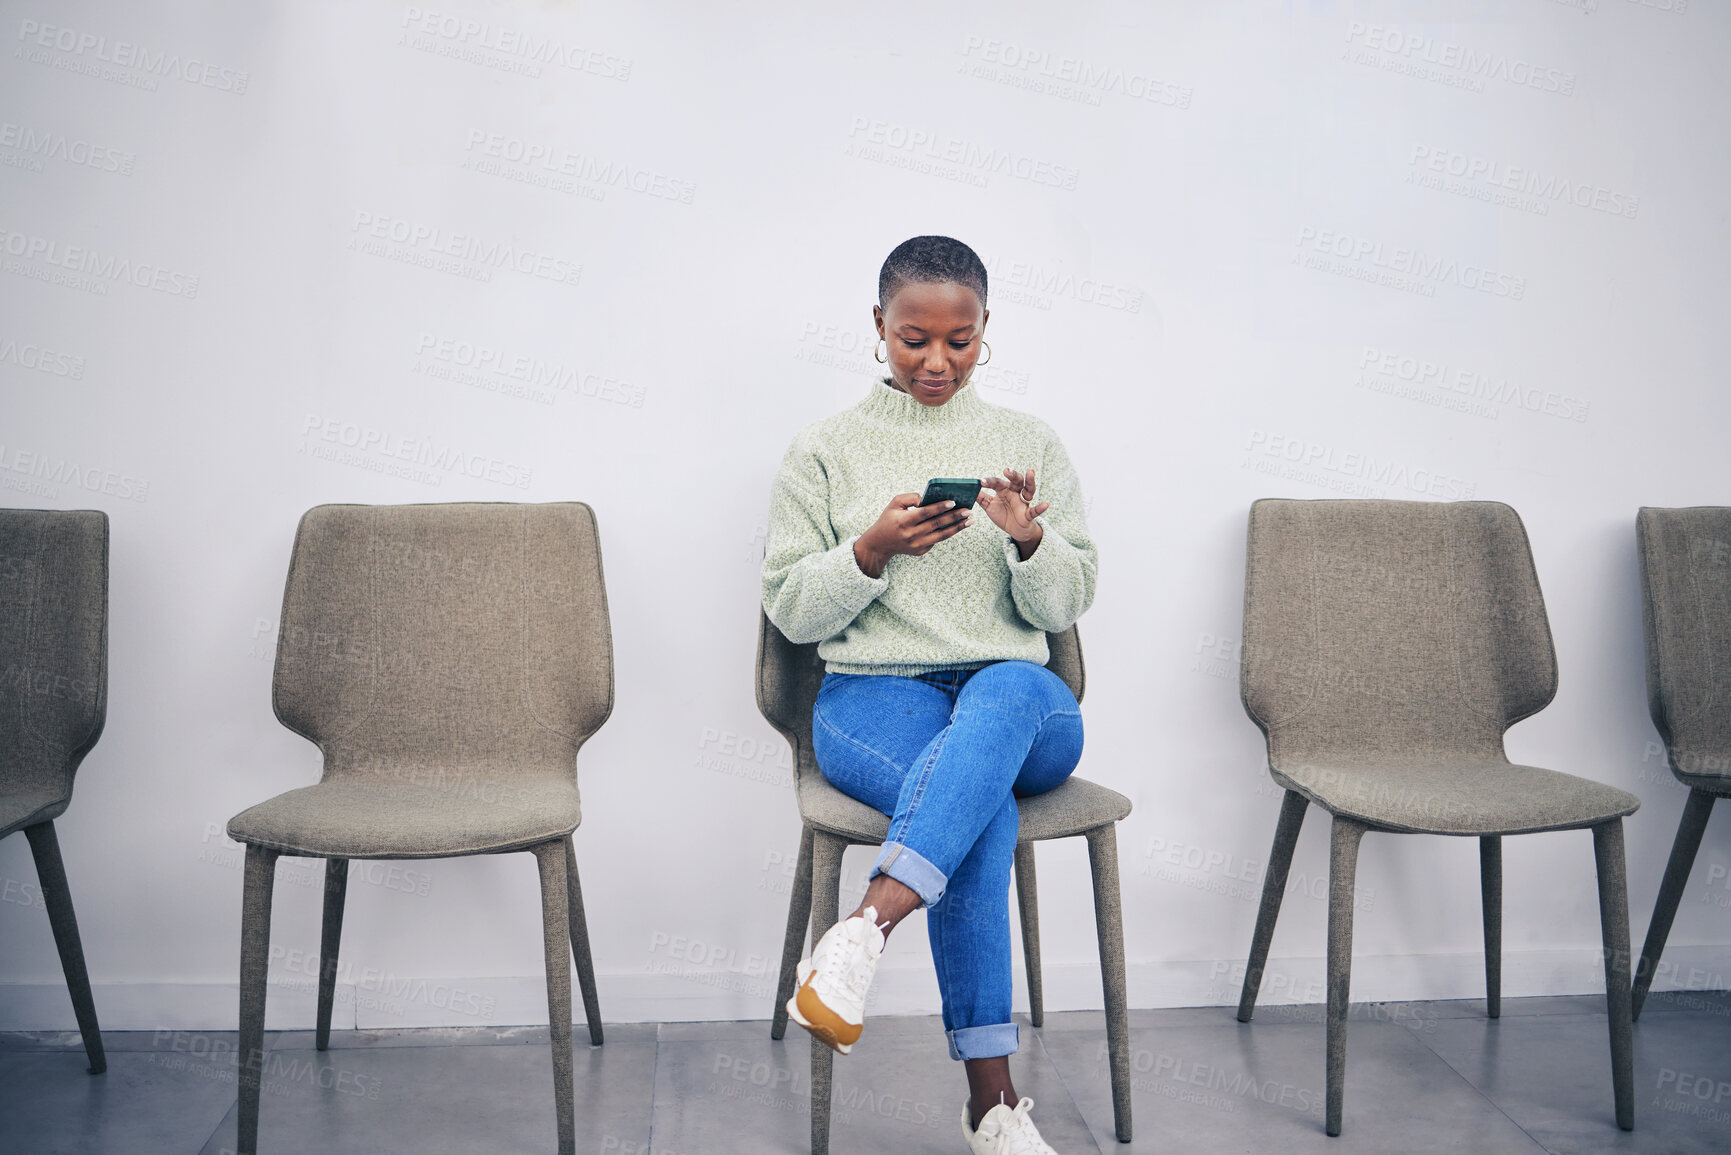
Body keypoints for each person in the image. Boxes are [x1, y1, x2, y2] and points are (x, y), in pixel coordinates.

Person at [761, 235, 1097, 1154]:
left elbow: (1068, 602)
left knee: (1002, 695)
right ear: (878, 327)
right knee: (970, 804)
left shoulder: (1030, 442)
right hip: (874, 698)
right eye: (913, 339)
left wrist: (1030, 541)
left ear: (986, 331)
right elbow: (791, 609)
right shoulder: (822, 451)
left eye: (959, 340)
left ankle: (866, 925)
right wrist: (869, 552)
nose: (937, 361)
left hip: (1023, 703)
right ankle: (993, 1108)